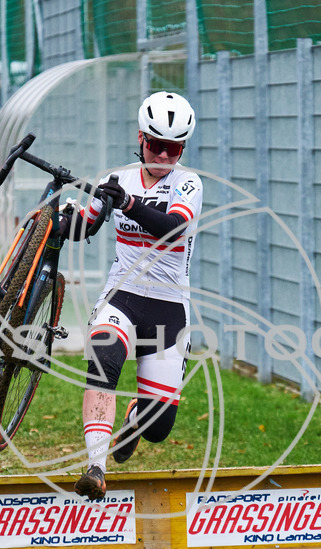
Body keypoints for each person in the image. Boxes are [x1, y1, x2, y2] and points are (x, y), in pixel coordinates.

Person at [66, 91, 203, 501]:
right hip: (122, 294)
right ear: (141, 137)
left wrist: (129, 204)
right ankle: (96, 468)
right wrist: (67, 216)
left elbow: (174, 228)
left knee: (159, 427)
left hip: (168, 307)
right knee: (103, 357)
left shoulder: (189, 183)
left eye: (173, 148)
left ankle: (135, 418)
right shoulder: (118, 178)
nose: (163, 155)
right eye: (156, 145)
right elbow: (83, 226)